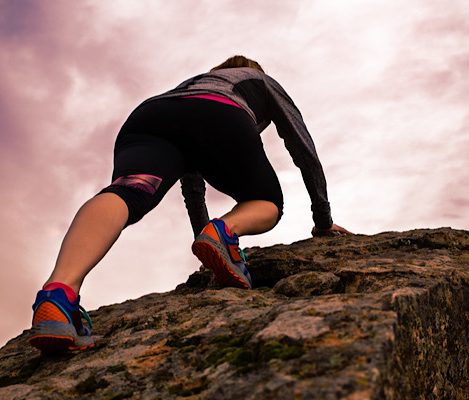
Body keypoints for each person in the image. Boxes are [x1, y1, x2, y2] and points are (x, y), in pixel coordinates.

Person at [29, 55, 353, 353]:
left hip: (149, 118)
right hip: (220, 113)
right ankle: (228, 230)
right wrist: (322, 220)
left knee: (127, 192)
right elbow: (302, 146)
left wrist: (207, 246)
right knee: (266, 201)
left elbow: (192, 184)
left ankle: (58, 294)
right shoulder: (261, 81)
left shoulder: (194, 84)